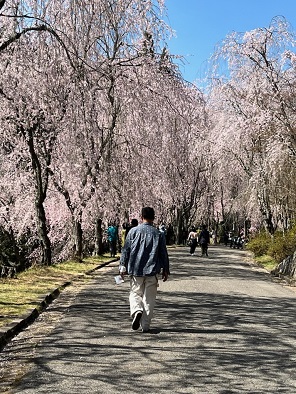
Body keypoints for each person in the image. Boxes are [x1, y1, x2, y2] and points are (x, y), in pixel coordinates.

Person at [119, 207, 170, 333]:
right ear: (153, 218)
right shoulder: (158, 234)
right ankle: (145, 326)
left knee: (135, 293)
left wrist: (122, 265)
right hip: (152, 270)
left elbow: (126, 250)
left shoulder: (133, 232)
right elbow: (163, 253)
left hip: (136, 270)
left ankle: (136, 310)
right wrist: (166, 269)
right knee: (149, 299)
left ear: (141, 217)